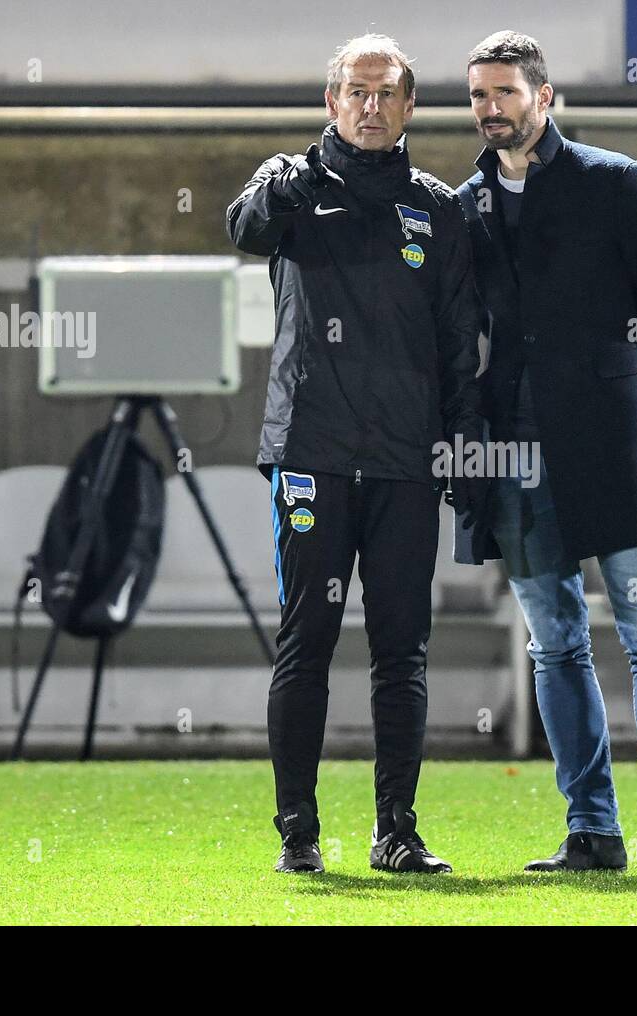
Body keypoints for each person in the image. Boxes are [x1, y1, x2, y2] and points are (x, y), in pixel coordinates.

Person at [451, 30, 637, 875]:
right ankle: (592, 833)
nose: (492, 109)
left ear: (546, 97)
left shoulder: (617, 184)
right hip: (518, 457)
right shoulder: (466, 207)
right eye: (479, 96)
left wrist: (623, 389)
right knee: (555, 642)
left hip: (614, 442)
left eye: (506, 93)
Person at [226, 33, 486, 875]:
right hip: (313, 453)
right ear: (331, 103)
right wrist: (296, 169)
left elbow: (458, 346)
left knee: (402, 649)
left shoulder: (439, 210)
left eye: (387, 94)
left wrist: (461, 449)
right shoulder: (292, 187)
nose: (371, 107)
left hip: (408, 461)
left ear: (410, 107)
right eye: (355, 92)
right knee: (307, 640)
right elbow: (243, 228)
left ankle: (396, 832)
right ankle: (298, 834)